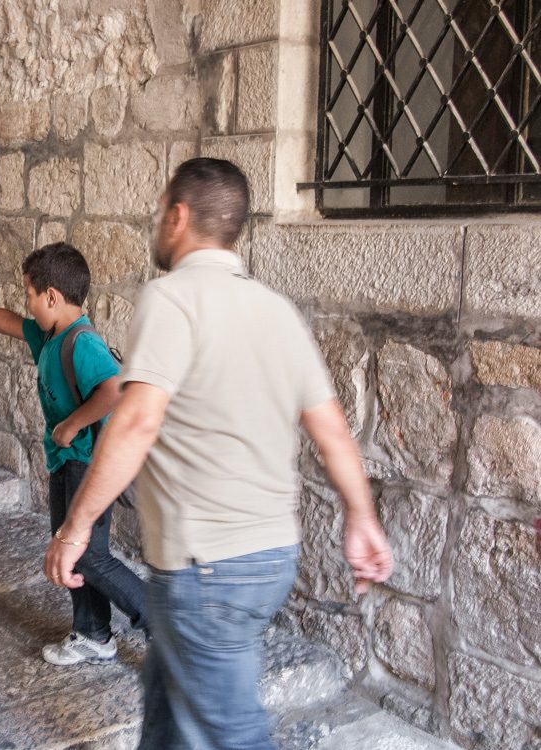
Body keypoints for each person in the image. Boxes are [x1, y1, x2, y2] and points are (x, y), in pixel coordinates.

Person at [44, 158, 393, 748]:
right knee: (167, 699)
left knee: (228, 730)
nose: (157, 223)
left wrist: (76, 526)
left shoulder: (172, 298)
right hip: (269, 557)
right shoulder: (276, 310)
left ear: (178, 216)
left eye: (160, 212)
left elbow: (135, 422)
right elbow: (331, 428)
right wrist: (361, 518)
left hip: (210, 566)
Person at [0, 242, 148, 665]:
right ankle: (92, 632)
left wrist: (72, 424)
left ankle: (166, 627)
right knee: (74, 551)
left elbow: (114, 388)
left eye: (30, 295)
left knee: (87, 554)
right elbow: (11, 323)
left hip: (87, 465)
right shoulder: (52, 334)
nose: (27, 304)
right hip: (65, 463)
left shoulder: (82, 342)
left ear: (51, 296)